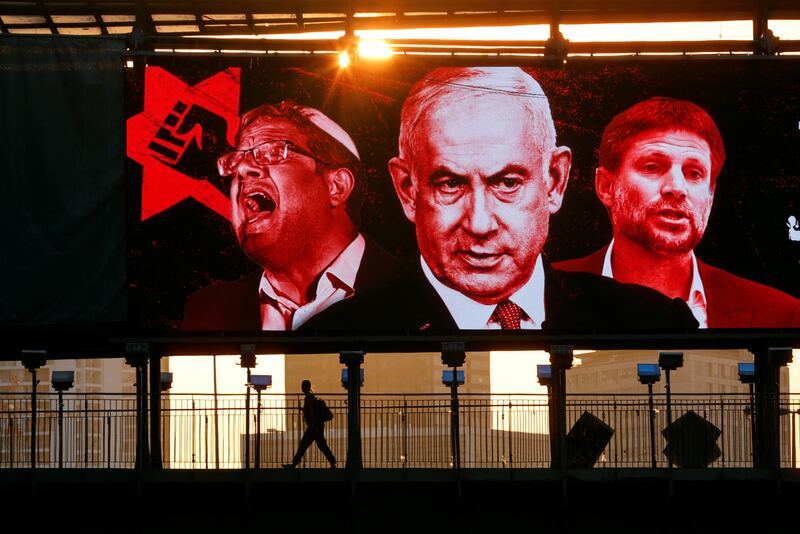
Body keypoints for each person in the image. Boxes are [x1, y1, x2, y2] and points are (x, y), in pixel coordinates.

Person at [303, 67, 698, 332]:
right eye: (450, 184)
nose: (479, 223)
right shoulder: (334, 338)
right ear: (407, 190)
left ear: (555, 181)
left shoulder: (653, 325)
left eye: (507, 182)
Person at [555, 97, 800, 328]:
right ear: (606, 186)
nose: (676, 188)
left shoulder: (780, 314)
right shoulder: (542, 294)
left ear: (711, 196)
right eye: (652, 167)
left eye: (694, 173)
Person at [182, 101, 404, 331]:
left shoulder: (414, 292)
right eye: (235, 161)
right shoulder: (208, 311)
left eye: (272, 151)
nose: (243, 168)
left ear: (336, 186)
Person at [284, 379, 336, 468]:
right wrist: (303, 410)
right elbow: (311, 410)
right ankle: (332, 462)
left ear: (304, 387)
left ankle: (294, 464)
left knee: (304, 445)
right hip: (317, 426)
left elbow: (312, 411)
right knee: (321, 445)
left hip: (313, 427)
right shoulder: (311, 397)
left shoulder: (309, 398)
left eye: (302, 386)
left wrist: (313, 425)